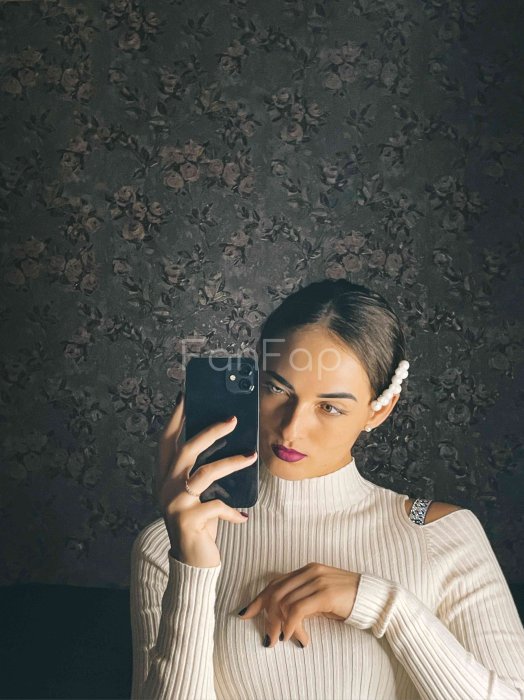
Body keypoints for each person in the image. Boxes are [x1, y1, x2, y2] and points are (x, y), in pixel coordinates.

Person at [130, 279, 524, 700]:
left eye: (330, 407)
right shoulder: (164, 545)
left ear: (379, 410)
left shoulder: (443, 536)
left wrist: (384, 607)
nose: (291, 429)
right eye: (277, 389)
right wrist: (191, 565)